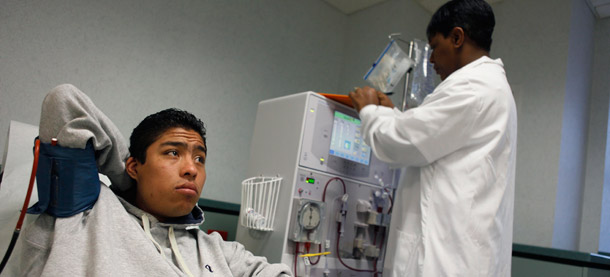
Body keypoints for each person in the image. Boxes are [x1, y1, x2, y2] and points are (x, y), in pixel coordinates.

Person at [12, 84, 292, 276]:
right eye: (173, 152)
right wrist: (129, 184)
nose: (191, 169)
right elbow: (64, 102)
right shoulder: (84, 210)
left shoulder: (216, 249)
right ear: (133, 166)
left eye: (200, 158)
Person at [348, 0, 517, 276]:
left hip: (446, 262)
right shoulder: (491, 86)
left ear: (457, 37)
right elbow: (428, 138)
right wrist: (394, 116)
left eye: (435, 46)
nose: (430, 60)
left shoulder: (473, 88)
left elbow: (400, 143)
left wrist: (368, 110)